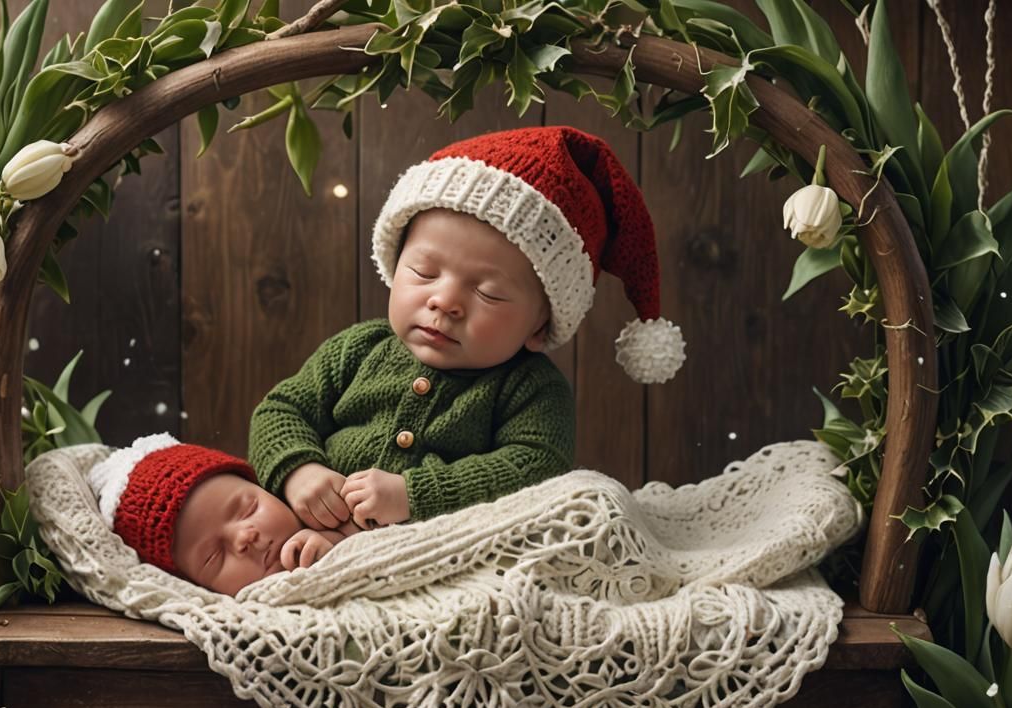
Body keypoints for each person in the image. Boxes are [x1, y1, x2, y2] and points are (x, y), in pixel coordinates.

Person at [249, 126, 687, 532]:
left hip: (448, 551)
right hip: (316, 530)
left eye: (490, 294)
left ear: (540, 325)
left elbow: (534, 468)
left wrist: (415, 495)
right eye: (423, 272)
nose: (446, 302)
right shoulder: (358, 349)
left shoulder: (529, 388)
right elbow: (281, 411)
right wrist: (299, 470)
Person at [87, 434, 362, 596]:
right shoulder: (232, 618)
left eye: (248, 509)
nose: (244, 537)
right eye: (213, 557)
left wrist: (337, 546)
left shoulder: (332, 508)